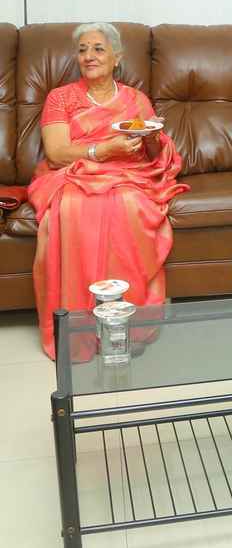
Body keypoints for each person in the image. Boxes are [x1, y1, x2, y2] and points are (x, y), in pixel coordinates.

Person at [29, 22, 188, 360]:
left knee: (128, 203)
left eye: (98, 48)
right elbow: (56, 153)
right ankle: (80, 330)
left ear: (117, 57)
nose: (89, 56)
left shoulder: (135, 99)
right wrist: (102, 151)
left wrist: (153, 139)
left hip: (128, 174)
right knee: (72, 206)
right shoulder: (60, 98)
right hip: (74, 173)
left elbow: (154, 153)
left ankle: (126, 323)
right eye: (82, 49)